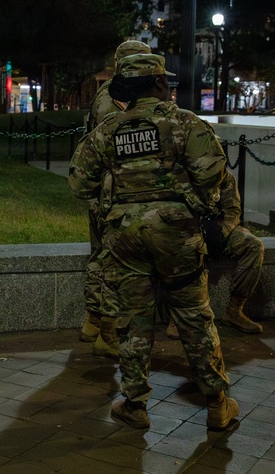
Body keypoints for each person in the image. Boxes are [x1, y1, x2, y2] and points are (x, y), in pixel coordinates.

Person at [69, 52, 239, 431]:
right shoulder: (185, 123)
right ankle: (216, 403)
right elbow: (213, 174)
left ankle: (134, 405)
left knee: (133, 318)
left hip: (125, 236)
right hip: (177, 234)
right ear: (160, 84)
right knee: (194, 315)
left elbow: (80, 184)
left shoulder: (107, 130)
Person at [81, 40, 152, 360]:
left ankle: (95, 322)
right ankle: (100, 324)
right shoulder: (116, 98)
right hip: (112, 192)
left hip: (105, 189)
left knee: (101, 254)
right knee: (107, 259)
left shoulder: (110, 92)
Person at [165, 167, 265, 338]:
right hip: (186, 229)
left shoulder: (222, 175)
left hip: (217, 228)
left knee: (253, 246)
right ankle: (179, 318)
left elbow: (233, 210)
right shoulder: (177, 172)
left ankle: (234, 312)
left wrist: (220, 233)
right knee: (184, 248)